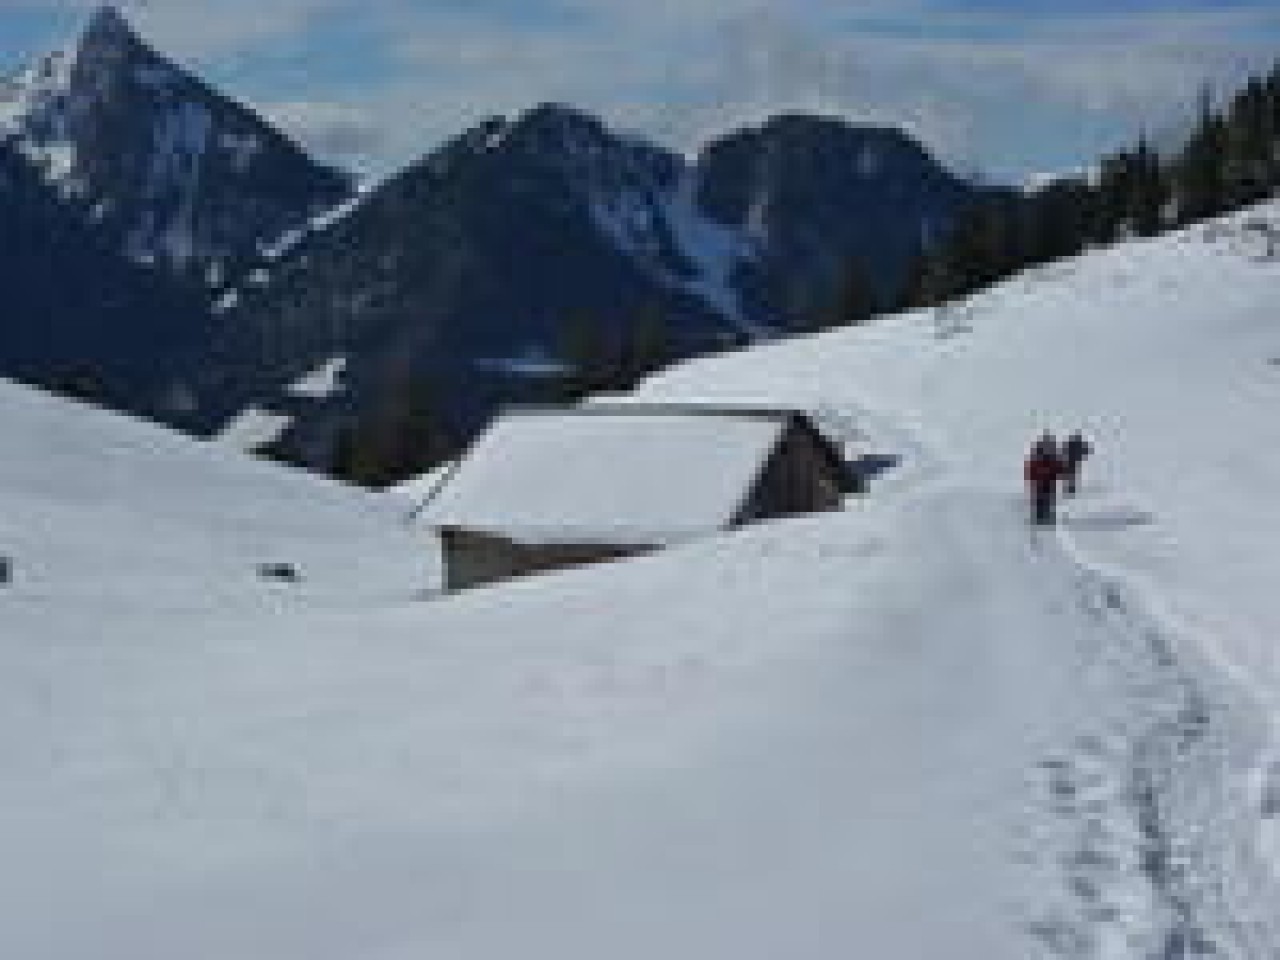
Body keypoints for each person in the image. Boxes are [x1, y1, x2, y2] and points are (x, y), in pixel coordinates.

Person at [1025, 432, 1063, 526]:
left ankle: (1042, 517)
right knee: (1044, 499)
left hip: (1044, 481)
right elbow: (1057, 467)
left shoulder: (1041, 454)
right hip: (1045, 481)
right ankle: (1042, 517)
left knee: (1043, 499)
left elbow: (1057, 467)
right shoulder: (1049, 454)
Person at [1062, 431, 1092, 498]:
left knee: (1070, 474)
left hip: (1071, 460)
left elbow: (1065, 449)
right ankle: (1071, 488)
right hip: (1074, 460)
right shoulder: (1077, 444)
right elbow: (1085, 450)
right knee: (1072, 474)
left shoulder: (1071, 443)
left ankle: (1070, 488)